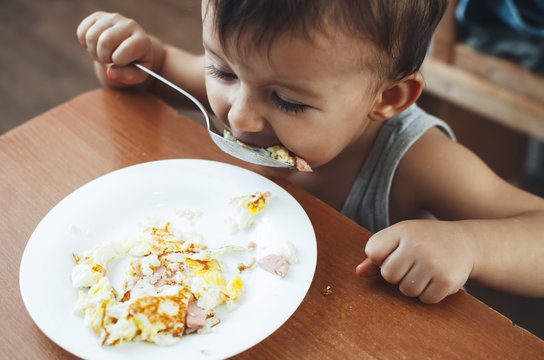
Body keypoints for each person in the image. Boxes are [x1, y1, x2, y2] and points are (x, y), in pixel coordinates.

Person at [76, 0, 544, 304]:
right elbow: (152, 73)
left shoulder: (417, 161)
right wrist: (129, 60)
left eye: (289, 102)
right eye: (221, 71)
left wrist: (469, 245)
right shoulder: (256, 79)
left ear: (386, 99)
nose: (239, 117)